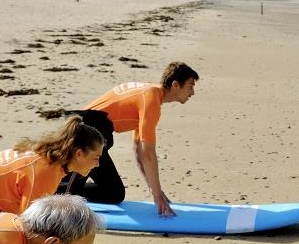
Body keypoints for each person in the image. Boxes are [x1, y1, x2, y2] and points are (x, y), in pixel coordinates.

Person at [58, 61, 198, 218]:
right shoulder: (150, 98)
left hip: (93, 133)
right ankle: (47, 199)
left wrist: (154, 189)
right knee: (66, 193)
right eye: (190, 86)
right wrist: (157, 195)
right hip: (82, 132)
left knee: (113, 193)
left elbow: (139, 150)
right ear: (175, 85)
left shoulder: (149, 97)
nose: (192, 92)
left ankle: (65, 190)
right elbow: (148, 154)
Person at [0, 115, 104, 224]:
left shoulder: (44, 154)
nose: (97, 164)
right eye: (96, 157)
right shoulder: (44, 172)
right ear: (79, 153)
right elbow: (26, 225)